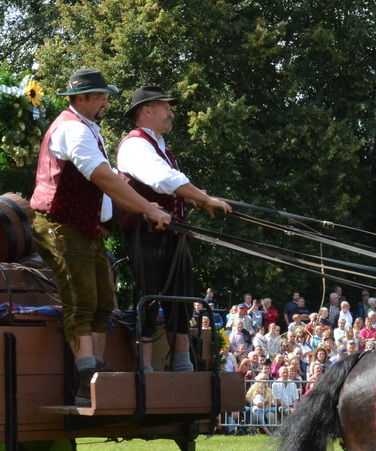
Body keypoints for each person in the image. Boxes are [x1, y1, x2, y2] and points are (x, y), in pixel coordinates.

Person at [30, 68, 171, 401]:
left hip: (86, 228)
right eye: (101, 96)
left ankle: (97, 375)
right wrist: (148, 208)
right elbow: (104, 178)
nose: (107, 102)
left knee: (103, 303)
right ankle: (86, 383)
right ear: (82, 99)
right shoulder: (72, 130)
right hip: (59, 224)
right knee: (81, 302)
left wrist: (141, 206)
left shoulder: (86, 128)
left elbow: (107, 185)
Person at [114, 85, 232, 372]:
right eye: (166, 107)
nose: (172, 112)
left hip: (173, 238)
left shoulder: (160, 146)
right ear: (147, 110)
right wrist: (204, 197)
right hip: (147, 235)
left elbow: (171, 187)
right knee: (149, 298)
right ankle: (145, 371)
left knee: (180, 303)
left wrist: (193, 201)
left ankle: (183, 365)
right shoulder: (135, 144)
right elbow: (162, 179)